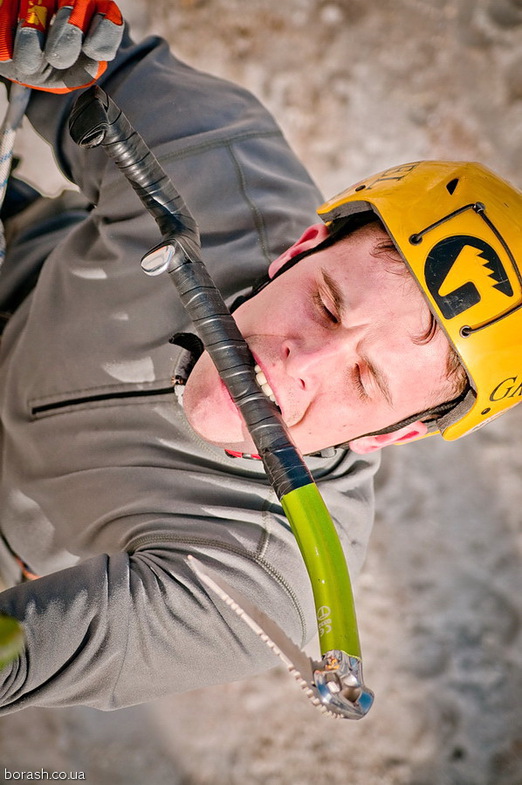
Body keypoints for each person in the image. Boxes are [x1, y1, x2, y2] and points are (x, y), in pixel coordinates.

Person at [0, 2, 519, 712]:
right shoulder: (217, 160)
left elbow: (18, 653)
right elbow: (71, 60)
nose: (301, 358)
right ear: (303, 248)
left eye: (366, 380)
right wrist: (44, 26)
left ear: (392, 434)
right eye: (328, 304)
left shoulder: (264, 584)